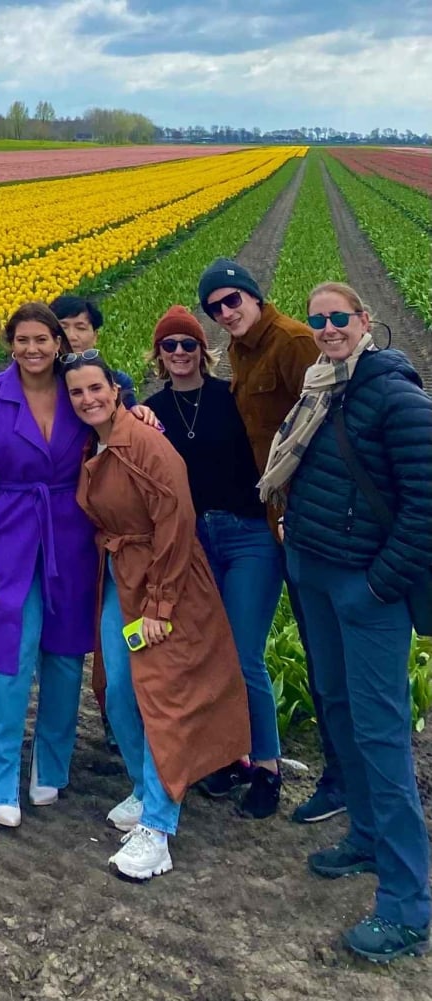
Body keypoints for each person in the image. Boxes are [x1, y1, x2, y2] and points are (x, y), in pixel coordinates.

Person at [263, 282, 432, 963]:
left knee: (382, 733)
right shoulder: (321, 385)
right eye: (319, 319)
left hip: (365, 592)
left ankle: (408, 903)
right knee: (337, 709)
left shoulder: (395, 396)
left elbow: (426, 508)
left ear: (365, 321)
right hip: (319, 577)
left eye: (340, 317)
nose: (328, 327)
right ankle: (364, 833)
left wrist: (376, 587)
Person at [66, 350, 250, 882]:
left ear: (116, 388)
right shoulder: (91, 442)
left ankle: (159, 828)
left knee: (161, 698)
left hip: (161, 581)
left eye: (95, 389)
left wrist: (160, 605)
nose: (87, 399)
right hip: (119, 576)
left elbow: (177, 521)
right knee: (117, 690)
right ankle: (146, 787)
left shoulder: (145, 443)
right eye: (77, 392)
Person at [197, 257, 341, 824]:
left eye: (233, 301)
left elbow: (331, 419)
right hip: (277, 516)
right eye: (216, 309)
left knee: (324, 648)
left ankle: (332, 776)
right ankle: (256, 757)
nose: (226, 313)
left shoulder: (293, 341)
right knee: (306, 645)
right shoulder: (241, 350)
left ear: (255, 296)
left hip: (314, 516)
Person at [143, 306, 284, 818]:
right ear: (158, 355)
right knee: (206, 654)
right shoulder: (151, 411)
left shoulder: (234, 398)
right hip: (196, 542)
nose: (178, 353)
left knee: (244, 656)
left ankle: (268, 767)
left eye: (187, 344)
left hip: (249, 536)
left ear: (204, 350)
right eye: (169, 346)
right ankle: (231, 758)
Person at [0, 303, 96, 829]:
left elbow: (115, 413)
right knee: (10, 658)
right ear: (9, 344)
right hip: (10, 532)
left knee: (64, 659)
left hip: (71, 533)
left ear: (59, 343)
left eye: (42, 339)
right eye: (22, 340)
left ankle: (50, 768)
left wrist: (140, 412)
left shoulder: (78, 388)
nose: (32, 349)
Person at [50, 296, 136, 407]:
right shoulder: (40, 385)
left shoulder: (118, 381)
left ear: (95, 336)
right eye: (63, 328)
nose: (71, 336)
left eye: (80, 328)